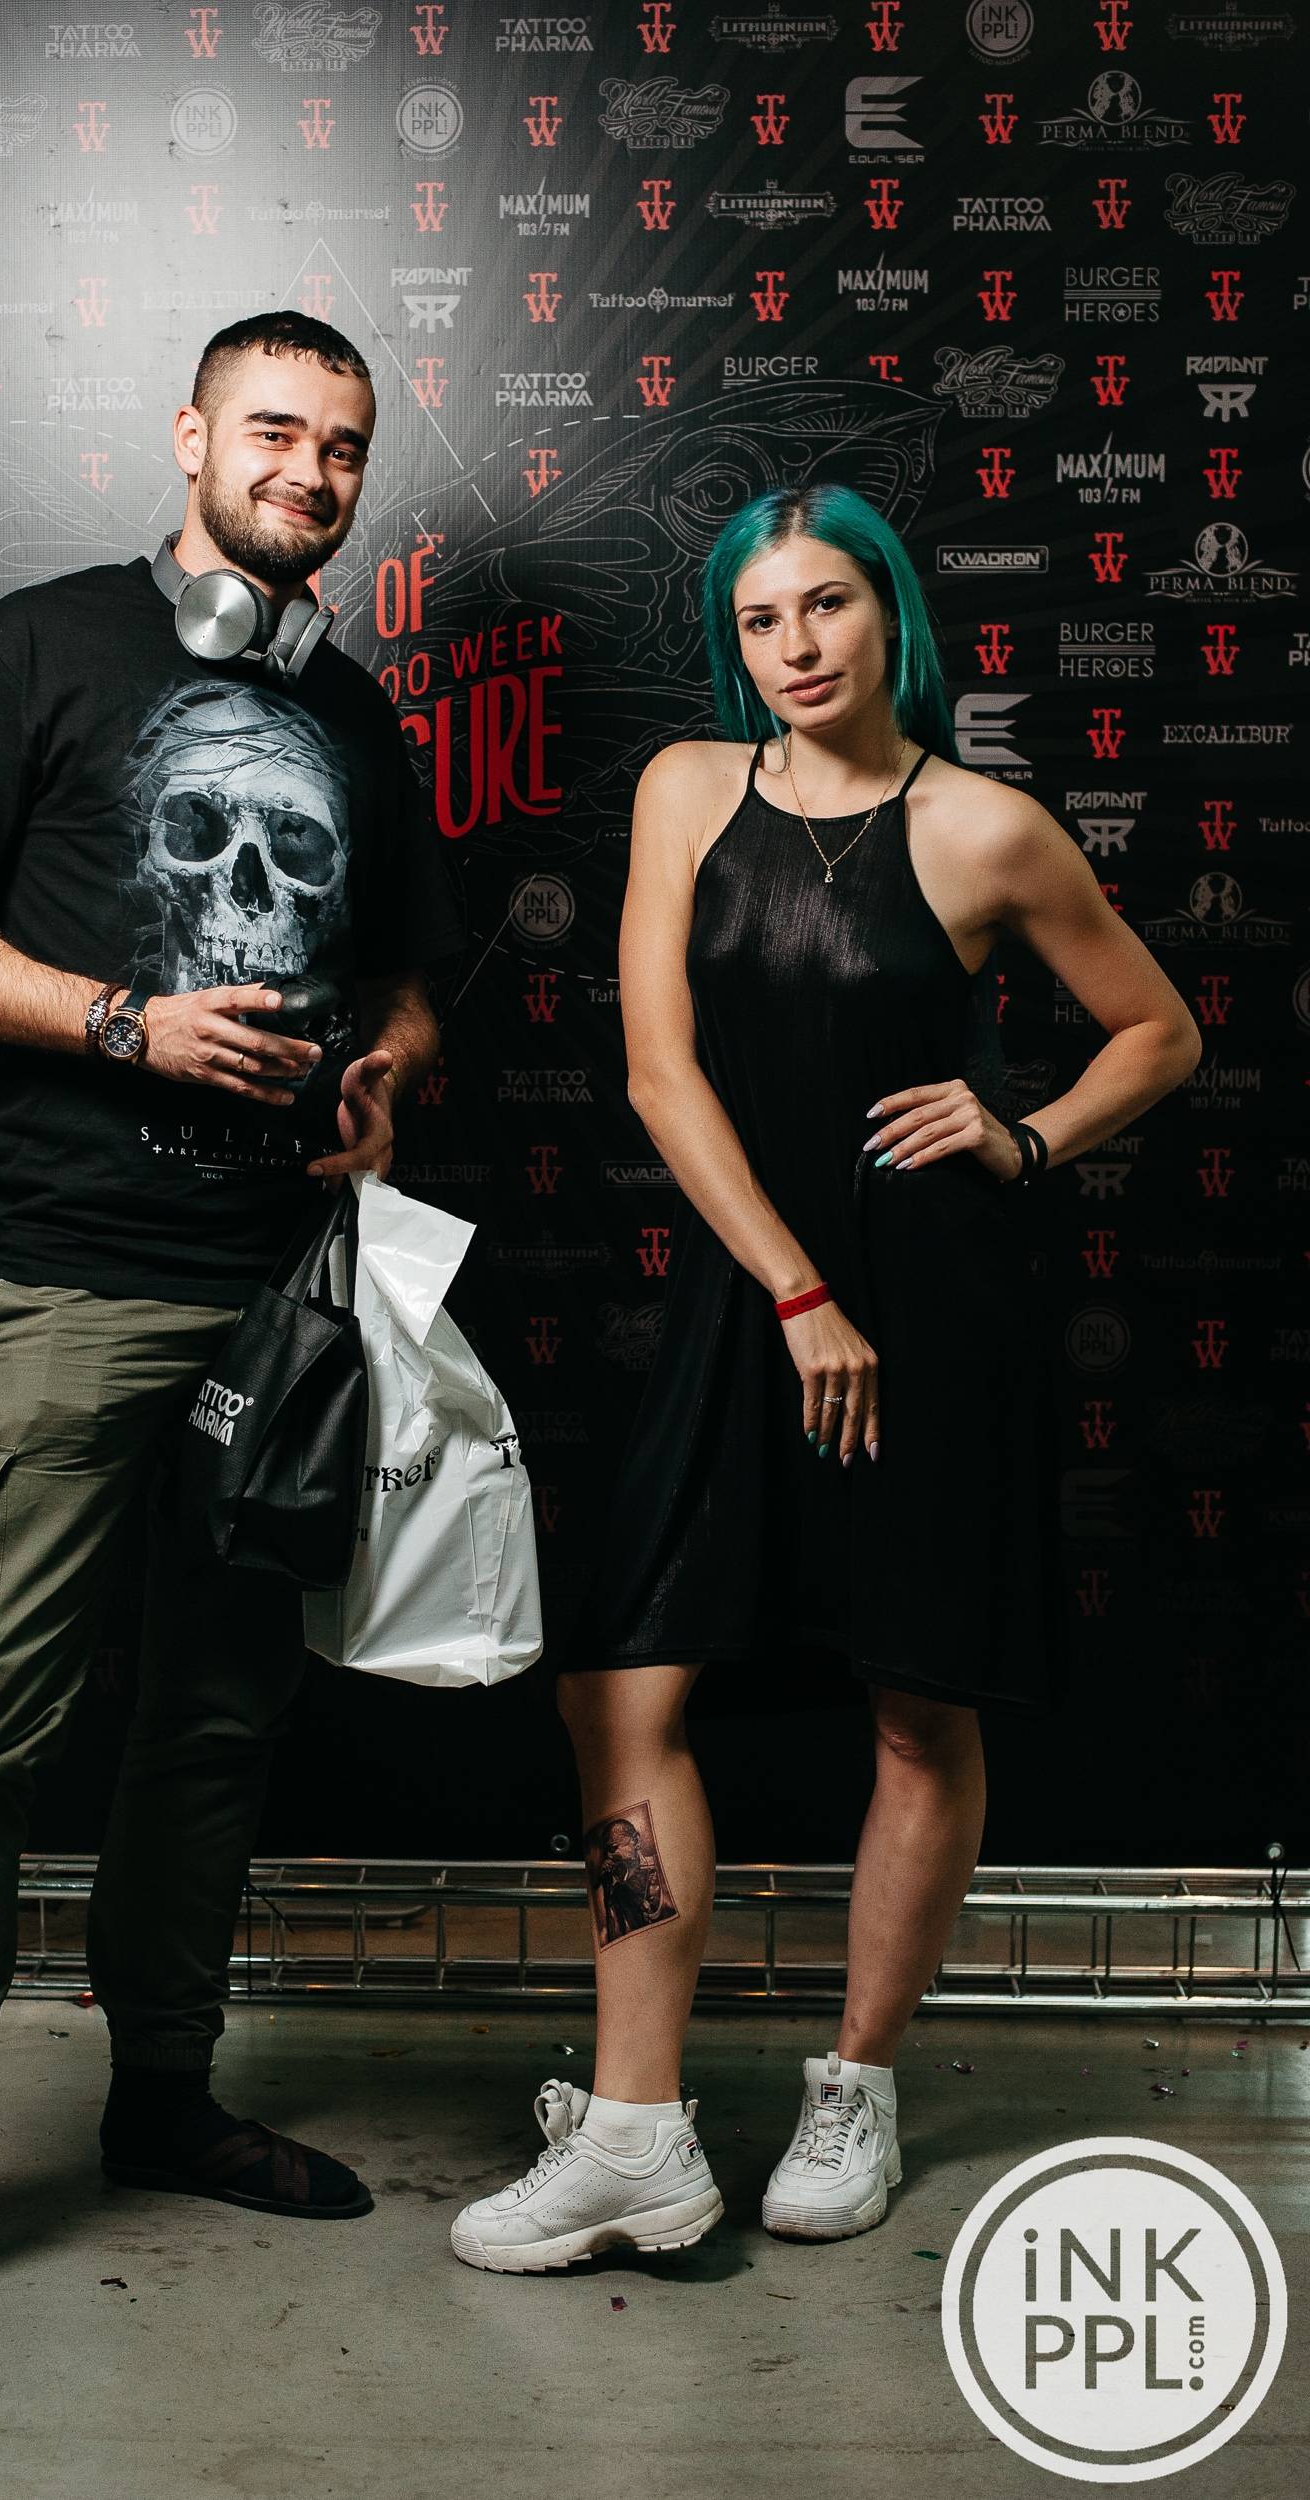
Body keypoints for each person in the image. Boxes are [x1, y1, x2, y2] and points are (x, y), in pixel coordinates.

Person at [0, 311, 466, 2375]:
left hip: (283, 1301)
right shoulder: (48, 642)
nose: (308, 471)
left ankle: (164, 2094)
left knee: (215, 1723)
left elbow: (409, 982)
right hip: (77, 1279)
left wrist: (388, 1075)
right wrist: (123, 1020)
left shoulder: (354, 715)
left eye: (342, 447)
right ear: (190, 435)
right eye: (274, 429)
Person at [450, 482, 1202, 2276]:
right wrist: (794, 1289)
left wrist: (1024, 1136)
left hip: (935, 1312)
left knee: (918, 1708)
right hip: (752, 1298)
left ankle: (857, 2085)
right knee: (617, 1693)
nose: (795, 647)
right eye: (762, 618)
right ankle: (636, 2128)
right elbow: (660, 1073)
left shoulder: (987, 829)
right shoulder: (687, 791)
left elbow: (1162, 1031)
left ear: (891, 614)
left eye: (828, 606)